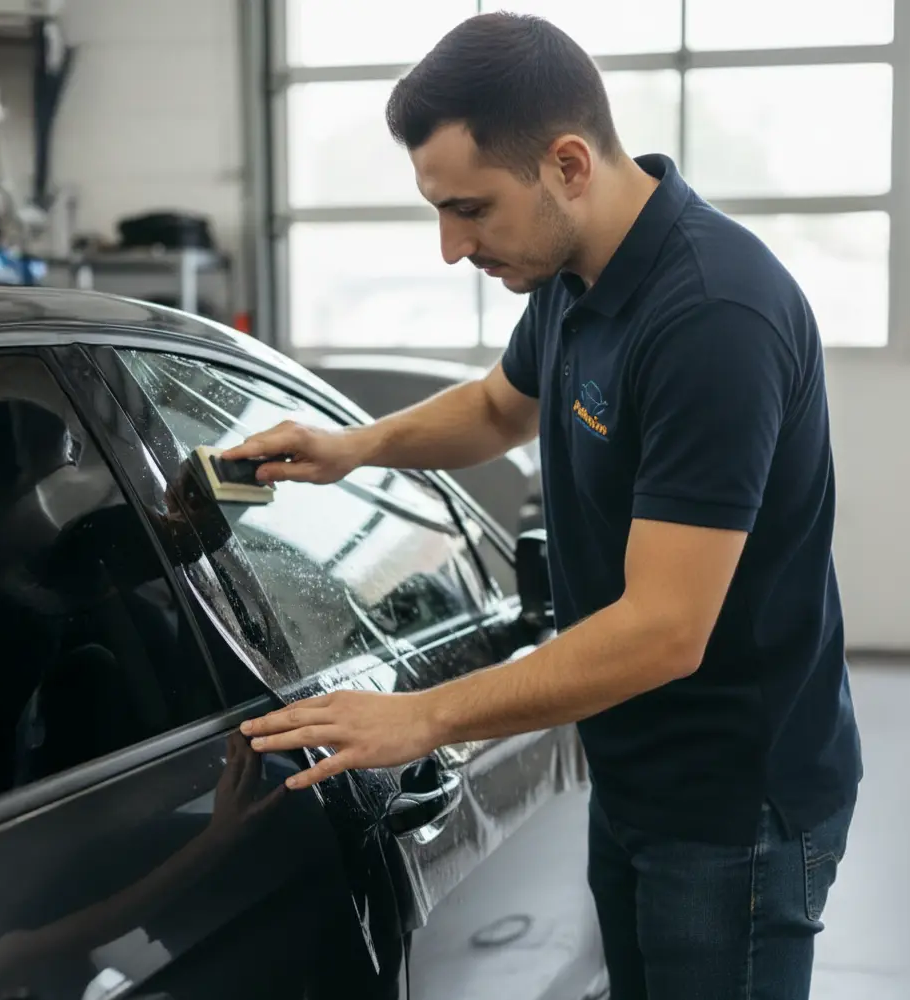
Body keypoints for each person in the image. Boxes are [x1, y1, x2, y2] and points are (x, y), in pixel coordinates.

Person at [227, 12, 862, 999]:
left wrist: (425, 718)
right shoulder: (574, 274)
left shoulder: (712, 319)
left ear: (568, 164)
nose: (452, 247)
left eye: (471, 209)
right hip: (636, 768)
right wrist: (352, 446)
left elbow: (663, 632)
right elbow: (497, 406)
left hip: (735, 804)